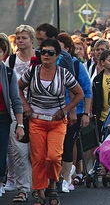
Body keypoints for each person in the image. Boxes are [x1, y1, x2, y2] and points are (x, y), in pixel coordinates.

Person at [18, 38, 84, 205]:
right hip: (36, 121)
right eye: (43, 52)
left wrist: (66, 110)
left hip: (57, 122)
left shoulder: (63, 73)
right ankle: (39, 192)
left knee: (54, 157)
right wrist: (25, 105)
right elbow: (17, 87)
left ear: (57, 56)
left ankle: (53, 185)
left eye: (50, 53)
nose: (46, 55)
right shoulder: (32, 72)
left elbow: (79, 93)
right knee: (38, 158)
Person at [57, 33, 92, 192]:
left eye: (59, 47)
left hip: (74, 112)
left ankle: (66, 178)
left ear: (68, 48)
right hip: (55, 111)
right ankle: (59, 174)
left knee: (68, 143)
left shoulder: (77, 65)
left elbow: (87, 90)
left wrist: (86, 113)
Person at [5, 24, 37, 202]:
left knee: (38, 151)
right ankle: (23, 188)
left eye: (24, 38)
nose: (20, 41)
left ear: (32, 40)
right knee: (19, 151)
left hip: (39, 109)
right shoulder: (10, 61)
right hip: (15, 109)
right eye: (18, 38)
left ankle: (41, 185)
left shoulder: (42, 58)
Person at [0, 38, 24, 198]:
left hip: (2, 118)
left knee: (1, 154)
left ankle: (0, 181)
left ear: (3, 54)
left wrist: (20, 124)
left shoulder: (8, 73)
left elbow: (16, 100)